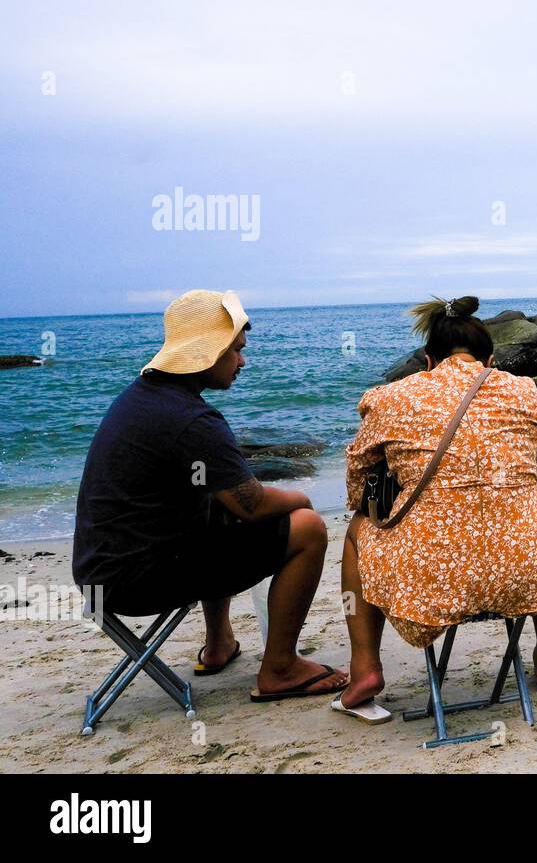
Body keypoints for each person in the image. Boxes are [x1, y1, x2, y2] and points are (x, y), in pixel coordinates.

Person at [71, 289, 348, 702]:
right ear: (209, 351)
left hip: (101, 572)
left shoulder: (145, 396)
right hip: (134, 580)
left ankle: (219, 644)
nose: (243, 361)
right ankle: (280, 669)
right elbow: (251, 504)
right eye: (236, 351)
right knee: (306, 528)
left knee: (214, 507)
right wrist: (299, 499)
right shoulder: (192, 419)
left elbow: (228, 500)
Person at [335, 295, 537, 724]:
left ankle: (365, 669)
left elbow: (358, 487)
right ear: (491, 359)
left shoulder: (390, 398)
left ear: (428, 360)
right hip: (523, 571)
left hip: (428, 580)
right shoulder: (524, 391)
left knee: (357, 528)